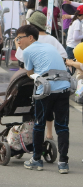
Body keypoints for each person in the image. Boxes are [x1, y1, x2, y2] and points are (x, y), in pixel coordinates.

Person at [16, 25, 71, 174]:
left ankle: (37, 160)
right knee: (62, 126)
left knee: (39, 124)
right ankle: (63, 163)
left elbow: (30, 73)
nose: (18, 41)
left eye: (20, 38)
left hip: (46, 89)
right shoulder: (49, 46)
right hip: (64, 87)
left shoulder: (27, 51)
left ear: (30, 37)